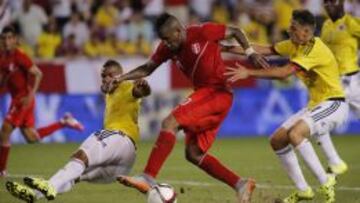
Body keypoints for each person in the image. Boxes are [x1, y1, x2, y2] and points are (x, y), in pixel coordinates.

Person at [113, 13, 270, 203]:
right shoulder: (167, 47)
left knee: (169, 122)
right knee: (193, 153)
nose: (166, 44)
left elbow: (236, 31)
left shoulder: (203, 32)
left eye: (168, 39)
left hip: (217, 92)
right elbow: (147, 68)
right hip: (208, 96)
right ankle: (240, 184)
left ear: (178, 31)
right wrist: (120, 78)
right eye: (163, 40)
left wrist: (250, 52)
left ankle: (147, 177)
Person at [224, 10, 347, 203]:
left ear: (306, 32)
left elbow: (283, 73)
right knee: (277, 140)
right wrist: (226, 48)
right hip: (316, 105)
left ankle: (326, 180)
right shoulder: (295, 44)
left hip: (334, 103)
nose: (288, 29)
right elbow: (262, 49)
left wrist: (249, 72)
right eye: (290, 25)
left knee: (295, 134)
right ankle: (304, 190)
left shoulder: (313, 49)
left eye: (293, 27)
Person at [5, 59, 151, 203]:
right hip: (123, 165)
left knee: (82, 155)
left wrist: (142, 87)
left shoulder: (125, 86)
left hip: (120, 139)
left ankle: (48, 186)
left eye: (110, 75)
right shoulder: (110, 94)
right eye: (103, 76)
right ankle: (34, 195)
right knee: (74, 175)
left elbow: (140, 91)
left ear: (120, 75)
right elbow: (108, 89)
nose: (105, 78)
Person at [0, 26, 84, 177]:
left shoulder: (20, 56)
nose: (6, 41)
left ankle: (1, 170)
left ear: (14, 40)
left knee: (5, 130)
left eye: (9, 38)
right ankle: (64, 122)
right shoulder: (3, 57)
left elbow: (38, 73)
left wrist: (31, 95)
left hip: (23, 99)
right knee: (31, 138)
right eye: (3, 38)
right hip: (16, 99)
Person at [319, 0, 360, 175]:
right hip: (334, 84)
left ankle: (334, 164)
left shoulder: (352, 23)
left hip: (353, 81)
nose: (328, 5)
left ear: (342, 3)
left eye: (332, 2)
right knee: (317, 122)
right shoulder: (326, 25)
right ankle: (334, 162)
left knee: (316, 122)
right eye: (325, 3)